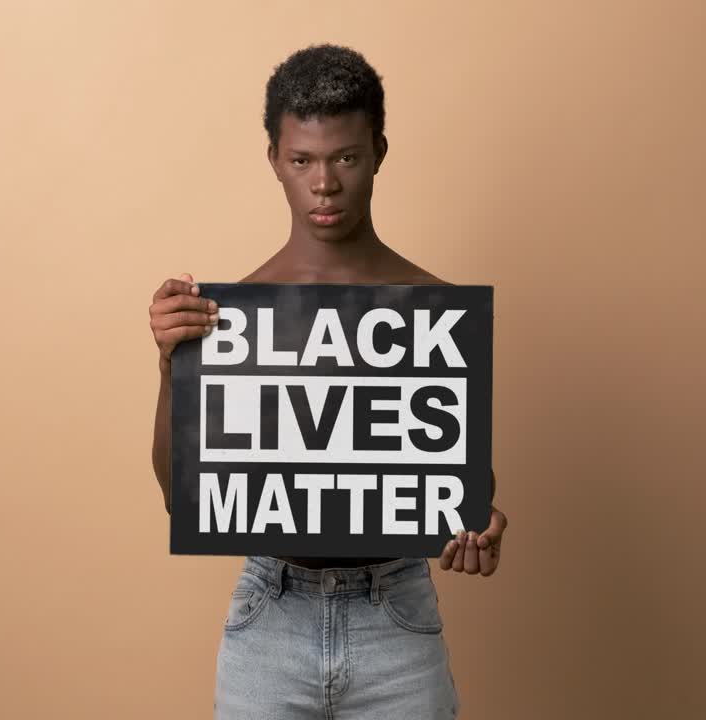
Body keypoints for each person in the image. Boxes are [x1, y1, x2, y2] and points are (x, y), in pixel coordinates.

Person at [147, 44, 508, 719]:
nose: (324, 185)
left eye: (345, 157)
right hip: (269, 617)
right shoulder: (232, 316)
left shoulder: (432, 308)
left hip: (395, 617)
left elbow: (465, 487)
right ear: (274, 160)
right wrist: (172, 371)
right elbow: (183, 497)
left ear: (378, 151)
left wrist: (477, 524)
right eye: (302, 160)